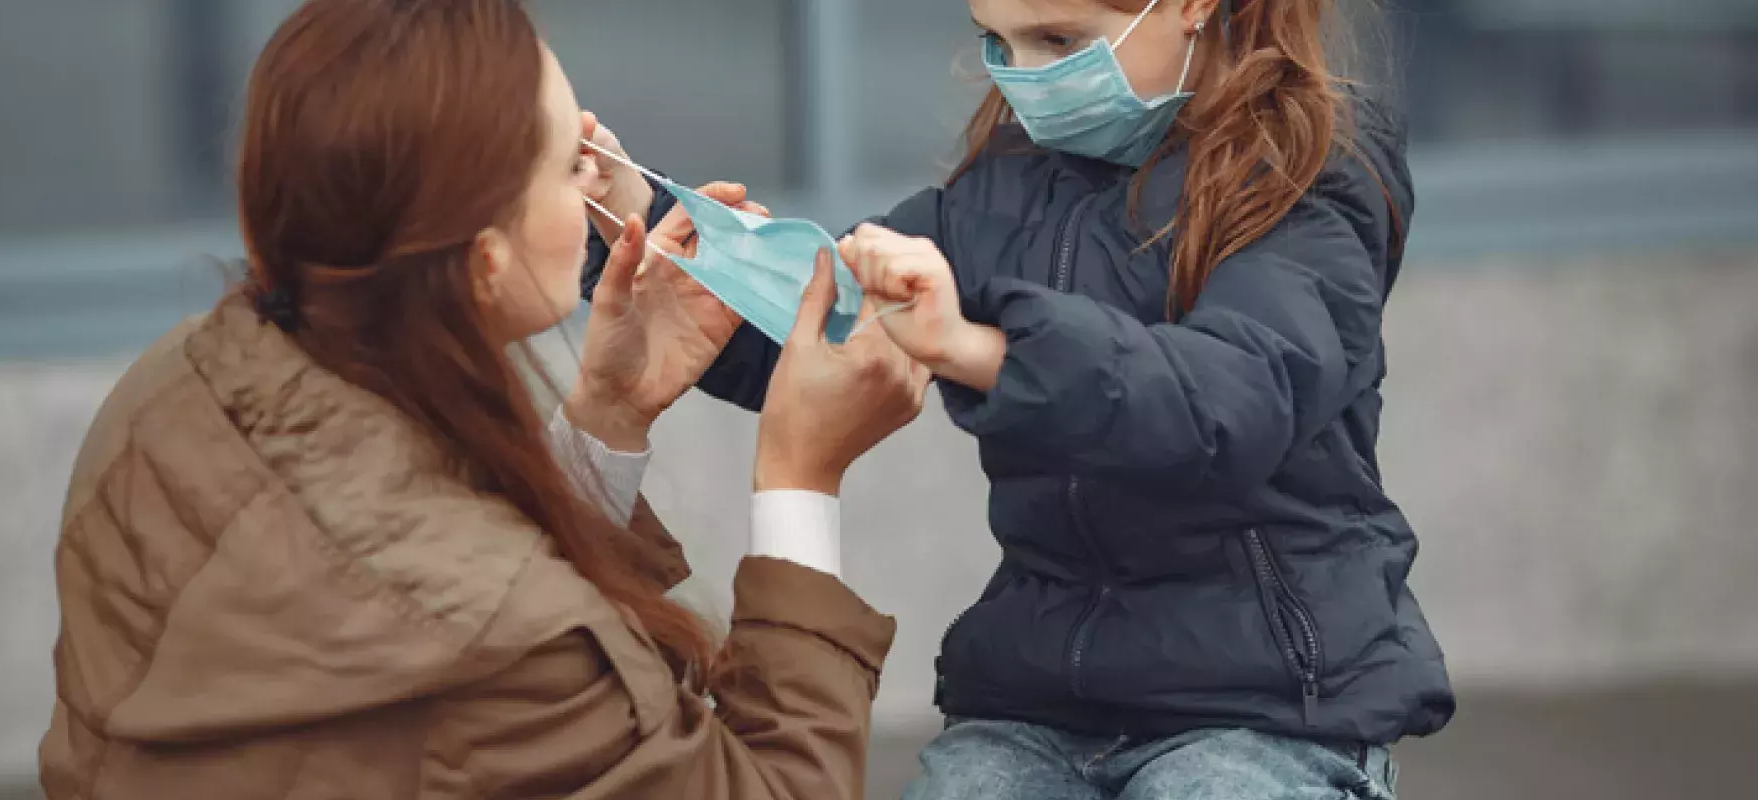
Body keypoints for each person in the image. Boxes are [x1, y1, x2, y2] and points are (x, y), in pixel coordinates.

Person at [37, 1, 931, 798]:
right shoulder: (510, 649)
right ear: (486, 257)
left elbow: (432, 649)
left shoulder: (172, 389)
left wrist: (607, 419)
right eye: (568, 162)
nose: (601, 179)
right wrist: (799, 476)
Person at [582, 0, 1454, 797]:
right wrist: (638, 216)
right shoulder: (1001, 185)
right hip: (1039, 698)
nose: (1027, 76)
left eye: (1060, 43)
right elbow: (823, 326)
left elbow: (1230, 402)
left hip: (1268, 706)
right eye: (997, 42)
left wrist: (980, 345)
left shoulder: (1311, 176)